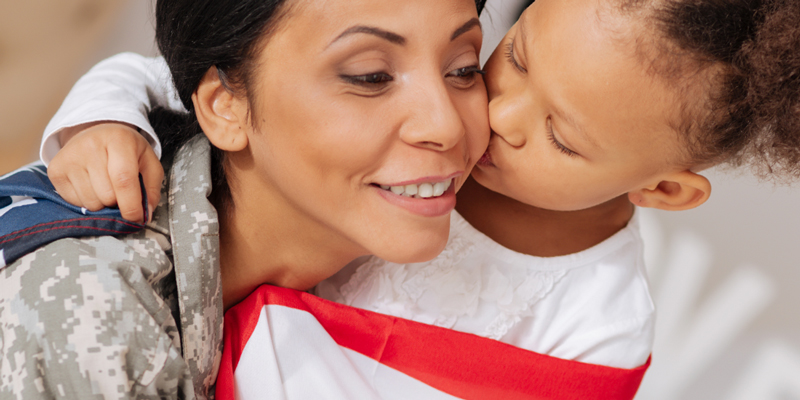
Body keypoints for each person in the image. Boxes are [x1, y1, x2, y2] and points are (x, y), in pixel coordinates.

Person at [22, 0, 800, 394]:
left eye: (563, 137)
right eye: (508, 62)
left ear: (661, 188)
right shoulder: (90, 307)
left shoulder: (593, 333)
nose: (489, 119)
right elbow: (181, 74)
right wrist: (101, 118)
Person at [0, 0, 491, 398]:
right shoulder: (92, 313)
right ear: (223, 106)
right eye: (370, 76)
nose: (444, 125)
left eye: (464, 69)